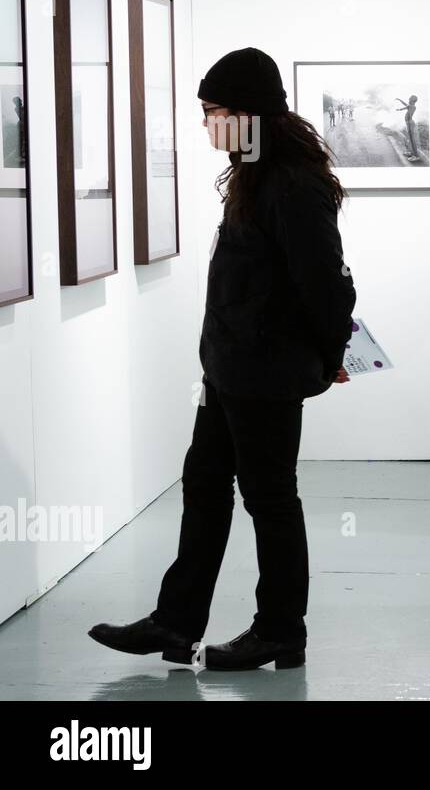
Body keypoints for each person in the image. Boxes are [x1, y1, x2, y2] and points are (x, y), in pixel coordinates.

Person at [89, 47, 357, 670]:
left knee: (270, 499)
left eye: (214, 111)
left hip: (263, 374)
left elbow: (324, 284)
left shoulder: (291, 184)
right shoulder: (254, 174)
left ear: (250, 114)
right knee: (206, 488)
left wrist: (332, 350)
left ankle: (281, 631)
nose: (206, 123)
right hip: (230, 370)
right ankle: (175, 622)